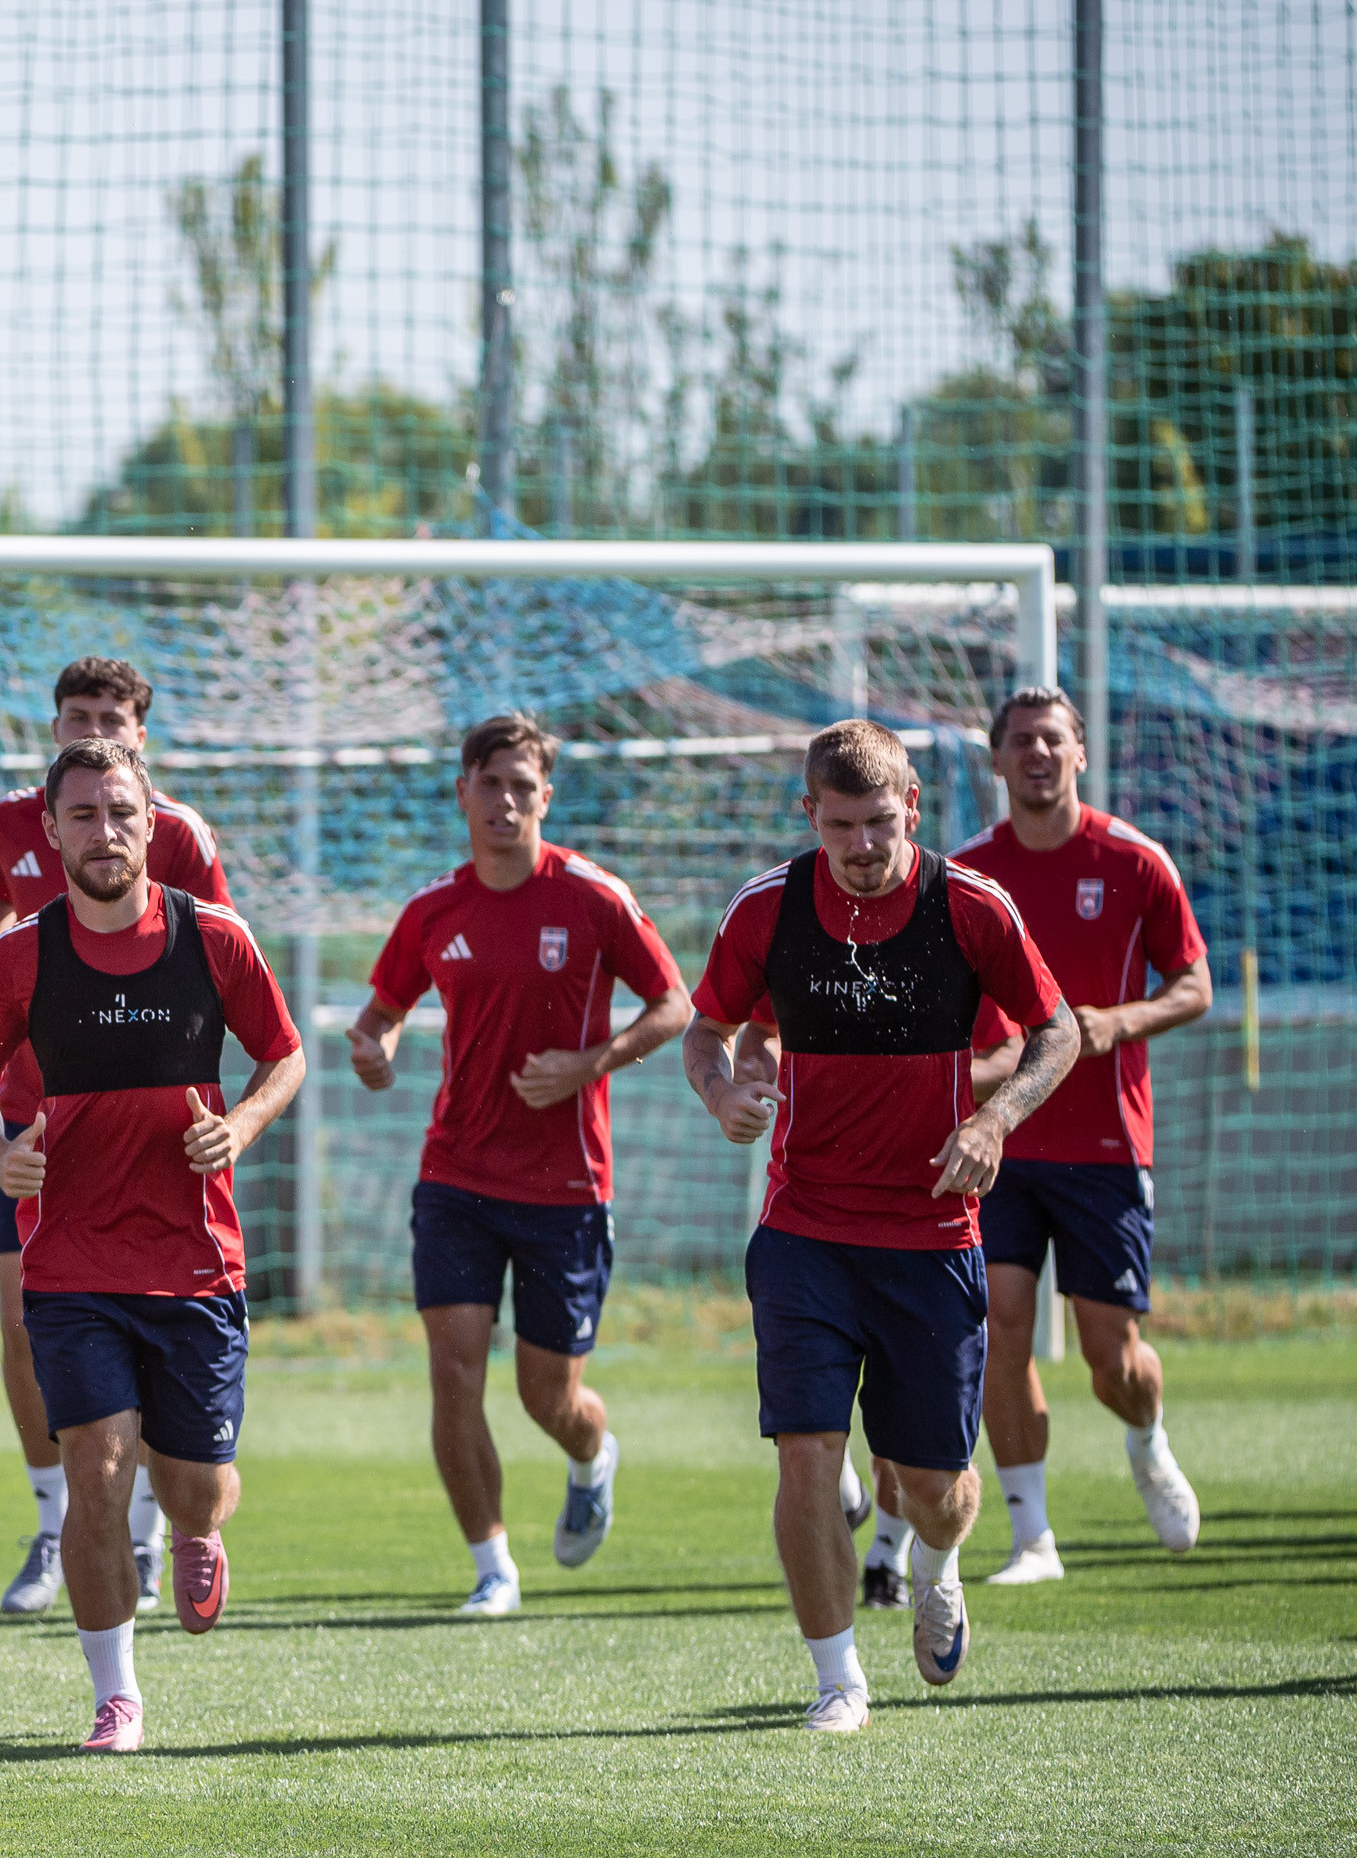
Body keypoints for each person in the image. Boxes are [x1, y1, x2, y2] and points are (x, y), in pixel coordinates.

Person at [680, 720, 1073, 1733]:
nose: (860, 845)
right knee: (805, 1452)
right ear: (810, 814)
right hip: (803, 1229)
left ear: (912, 805)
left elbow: (1056, 1029)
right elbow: (704, 1027)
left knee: (936, 1487)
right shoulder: (765, 908)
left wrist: (993, 1119)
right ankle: (837, 1680)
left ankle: (937, 1566)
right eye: (840, 824)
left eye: (878, 821)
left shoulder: (969, 906)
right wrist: (722, 1091)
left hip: (931, 1238)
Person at [0, 739, 304, 1749]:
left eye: (120, 813)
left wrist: (239, 1125)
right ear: (50, 830)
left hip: (194, 1260)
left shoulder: (215, 937)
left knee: (195, 1485)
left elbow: (283, 1054)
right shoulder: (19, 954)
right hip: (70, 1261)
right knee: (96, 1471)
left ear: (152, 824)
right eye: (82, 815)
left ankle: (196, 1526)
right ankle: (116, 1695)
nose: (103, 833)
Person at [347, 712, 689, 1615]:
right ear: (463, 792)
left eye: (522, 786)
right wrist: (373, 1046)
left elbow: (674, 1004)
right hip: (455, 1177)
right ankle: (492, 1566)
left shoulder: (592, 896)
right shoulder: (433, 909)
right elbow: (381, 1012)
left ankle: (592, 1454)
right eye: (490, 783)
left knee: (549, 1398)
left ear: (547, 796)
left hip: (565, 1187)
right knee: (453, 1370)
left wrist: (591, 1063)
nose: (505, 800)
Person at [0, 659, 230, 1619]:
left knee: (155, 1337)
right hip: (34, 1122)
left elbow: (217, 955)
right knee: (24, 1324)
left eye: (113, 717)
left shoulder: (177, 832)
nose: (95, 729)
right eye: (78, 715)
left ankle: (155, 1527)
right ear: (53, 728)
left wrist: (219, 1110)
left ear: (141, 737)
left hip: (153, 1131)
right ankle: (57, 1521)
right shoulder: (15, 821)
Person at [956, 686, 1213, 1579]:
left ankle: (1146, 1437)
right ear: (997, 760)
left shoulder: (1135, 861)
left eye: (1052, 739)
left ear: (1080, 753)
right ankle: (1032, 1536)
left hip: (1106, 1143)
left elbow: (1195, 983)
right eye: (1021, 740)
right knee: (1000, 1324)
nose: (1037, 752)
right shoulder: (967, 874)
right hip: (1001, 1140)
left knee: (1112, 1357)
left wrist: (1120, 1021)